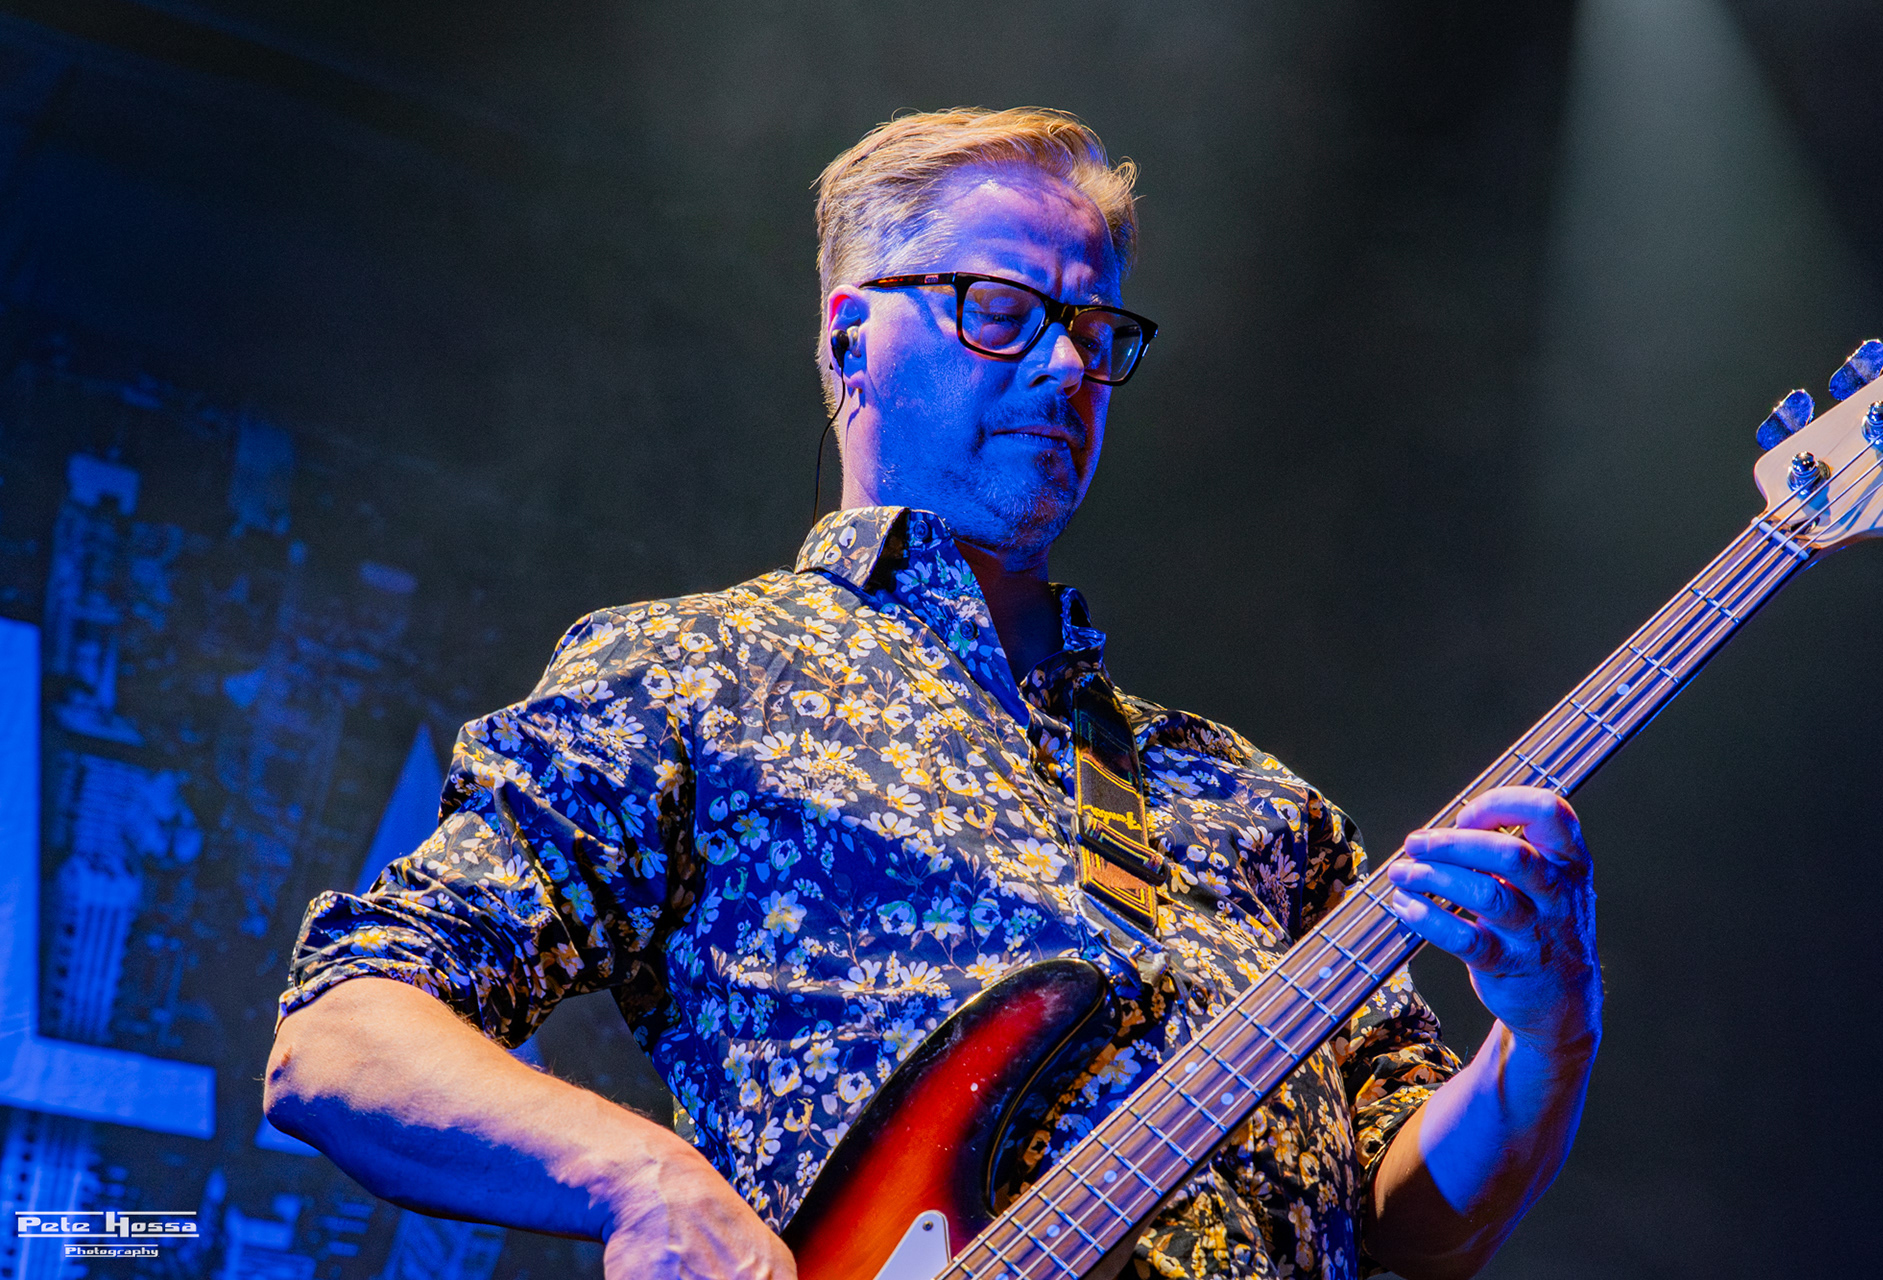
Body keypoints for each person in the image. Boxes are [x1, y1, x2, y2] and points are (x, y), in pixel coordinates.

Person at [263, 107, 1601, 1280]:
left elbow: (1420, 1229)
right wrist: (644, 1179)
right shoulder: (699, 675)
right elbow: (343, 1035)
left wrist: (1546, 1032)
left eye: (1094, 331)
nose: (1066, 368)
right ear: (851, 338)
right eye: (1002, 311)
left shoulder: (1260, 805)